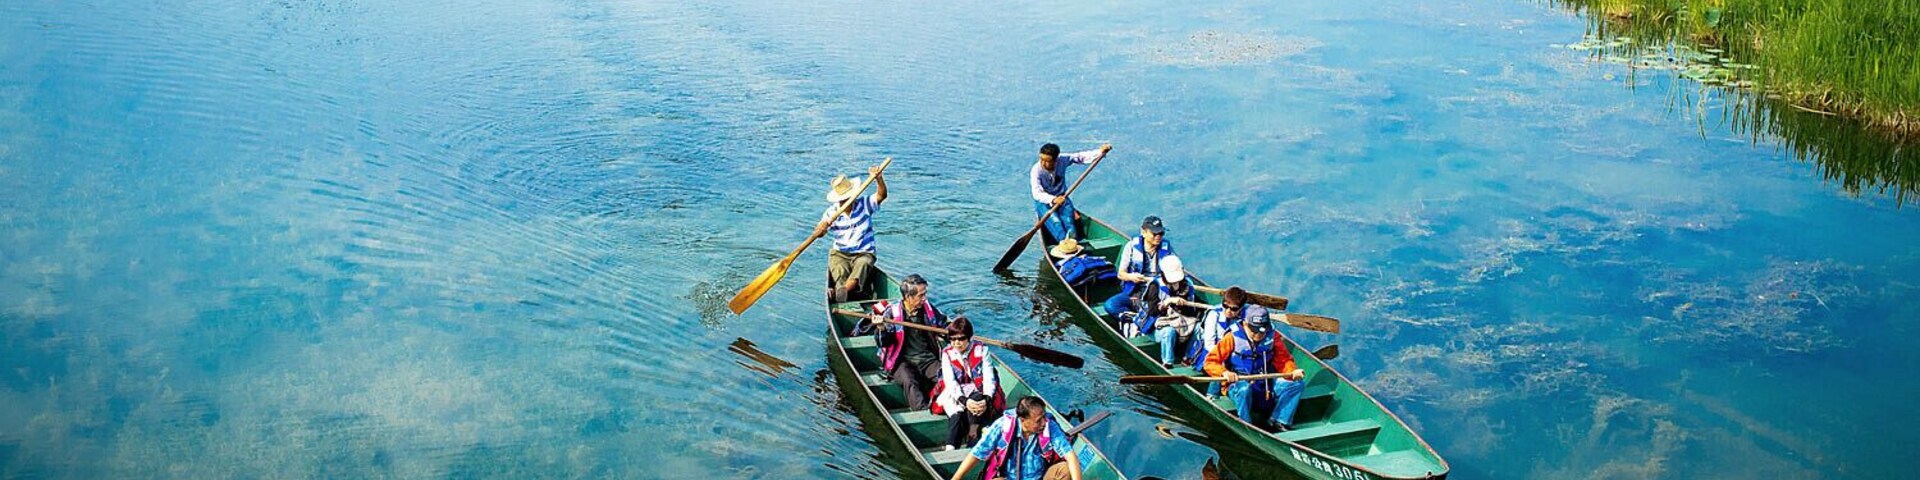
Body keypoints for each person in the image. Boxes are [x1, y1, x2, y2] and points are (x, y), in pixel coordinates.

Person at [1203, 310, 1306, 432]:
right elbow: (1210, 362)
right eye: (1254, 330)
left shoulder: (1273, 337)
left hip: (1265, 383)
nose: (1258, 335)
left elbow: (1284, 360)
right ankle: (1247, 425)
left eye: (1262, 331)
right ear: (1245, 324)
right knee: (1244, 389)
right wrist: (1224, 372)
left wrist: (1292, 372)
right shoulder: (1231, 337)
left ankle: (1279, 421)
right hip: (1238, 383)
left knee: (1296, 384)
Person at [949, 396, 1083, 480]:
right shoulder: (1002, 426)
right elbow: (977, 454)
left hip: (1039, 477)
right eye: (1038, 420)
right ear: (1023, 420)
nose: (1043, 422)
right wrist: (957, 477)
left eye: (1044, 417)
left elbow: (1070, 457)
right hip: (1009, 477)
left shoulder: (1049, 426)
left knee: (1065, 469)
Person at [815, 165, 888, 301]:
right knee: (839, 270)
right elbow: (820, 231)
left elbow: (881, 195)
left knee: (864, 263)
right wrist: (821, 228)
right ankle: (842, 291)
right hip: (841, 253)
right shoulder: (831, 213)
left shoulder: (864, 204)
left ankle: (843, 291)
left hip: (864, 252)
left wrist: (879, 179)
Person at [875, 274, 947, 410]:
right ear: (908, 297)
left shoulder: (928, 309)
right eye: (921, 295)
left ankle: (944, 405)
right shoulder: (892, 313)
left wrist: (953, 333)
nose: (924, 299)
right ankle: (922, 411)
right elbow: (882, 343)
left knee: (947, 377)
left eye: (925, 294)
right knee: (910, 381)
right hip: (902, 361)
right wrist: (881, 328)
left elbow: (942, 324)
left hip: (927, 359)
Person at [934, 317, 999, 450]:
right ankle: (950, 447)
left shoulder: (982, 350)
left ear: (969, 338)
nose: (957, 343)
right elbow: (950, 382)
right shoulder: (947, 353)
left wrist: (987, 399)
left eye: (961, 339)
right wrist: (964, 400)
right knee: (956, 414)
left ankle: (972, 439)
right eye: (953, 339)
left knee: (976, 400)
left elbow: (988, 378)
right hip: (956, 393)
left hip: (978, 391)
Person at [1188, 286, 1265, 398]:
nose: (1228, 311)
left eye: (1233, 309)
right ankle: (1212, 395)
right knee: (1221, 363)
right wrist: (1227, 356)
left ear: (1241, 308)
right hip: (1211, 354)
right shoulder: (1214, 315)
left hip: (1235, 352)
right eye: (1225, 306)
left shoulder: (1247, 315)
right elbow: (1209, 344)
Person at [1029, 143, 1111, 242]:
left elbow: (1080, 157)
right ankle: (1064, 245)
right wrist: (1053, 199)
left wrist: (1100, 152)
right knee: (1057, 224)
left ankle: (1072, 245)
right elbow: (1037, 193)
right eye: (1041, 159)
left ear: (1056, 160)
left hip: (1063, 198)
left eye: (1048, 161)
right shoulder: (1036, 170)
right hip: (1044, 201)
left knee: (1070, 227)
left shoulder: (1062, 160)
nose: (1043, 163)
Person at [1102, 216, 1176, 317]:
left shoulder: (1167, 249)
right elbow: (1121, 274)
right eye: (1154, 234)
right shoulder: (1131, 246)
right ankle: (1134, 319)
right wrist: (1131, 277)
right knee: (1111, 305)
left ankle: (1146, 315)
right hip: (1135, 292)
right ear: (1143, 232)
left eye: (1161, 233)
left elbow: (1176, 271)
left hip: (1157, 292)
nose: (1158, 237)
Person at [1138, 256, 1200, 367]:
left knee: (1198, 327)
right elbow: (1152, 312)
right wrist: (1168, 302)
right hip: (1158, 326)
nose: (1176, 281)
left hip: (1180, 322)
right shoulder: (1155, 286)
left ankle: (1188, 357)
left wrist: (1183, 305)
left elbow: (1192, 313)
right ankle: (1168, 362)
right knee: (1169, 331)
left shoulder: (1187, 285)